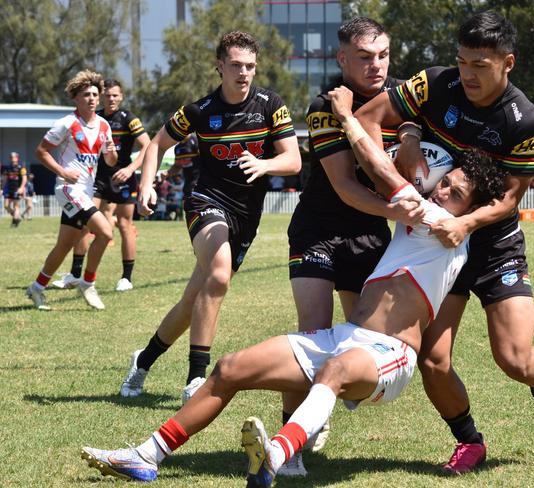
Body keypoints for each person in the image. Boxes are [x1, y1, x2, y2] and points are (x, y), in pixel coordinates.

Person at [79, 93, 507, 483]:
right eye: (447, 182)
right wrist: (409, 132)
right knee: (229, 369)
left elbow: (381, 170)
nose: (444, 189)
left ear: (470, 210)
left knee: (334, 372)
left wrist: (345, 115)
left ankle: (277, 455)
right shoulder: (426, 211)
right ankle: (147, 455)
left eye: (456, 192)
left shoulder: (448, 228)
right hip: (344, 338)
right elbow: (391, 173)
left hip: (389, 357)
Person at [354, 10, 534, 473]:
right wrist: (407, 137)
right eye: (462, 61)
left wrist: (465, 225)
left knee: (514, 358)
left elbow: (509, 200)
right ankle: (470, 441)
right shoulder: (436, 83)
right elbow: (367, 117)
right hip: (438, 245)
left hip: (493, 243)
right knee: (432, 360)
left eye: (481, 64)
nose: (468, 74)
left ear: (508, 63)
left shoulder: (526, 121)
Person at [118, 31, 301, 403]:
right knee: (219, 273)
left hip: (246, 216)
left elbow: (293, 160)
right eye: (236, 65)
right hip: (207, 201)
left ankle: (144, 359)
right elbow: (156, 144)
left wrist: (264, 164)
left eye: (250, 65)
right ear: (220, 66)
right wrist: (146, 186)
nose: (244, 72)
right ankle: (196, 379)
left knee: (194, 299)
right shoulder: (200, 110)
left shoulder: (271, 105)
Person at [282, 17, 424, 473]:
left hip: (370, 235)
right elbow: (344, 185)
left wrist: (410, 133)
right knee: (311, 337)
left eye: (382, 55)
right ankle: (291, 449)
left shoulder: (403, 97)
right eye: (364, 57)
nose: (375, 65)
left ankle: (328, 394)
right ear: (343, 58)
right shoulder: (325, 106)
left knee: (368, 340)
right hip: (318, 230)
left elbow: (411, 159)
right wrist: (399, 210)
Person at [26, 70, 117, 311]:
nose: (92, 99)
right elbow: (41, 151)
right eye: (86, 94)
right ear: (75, 98)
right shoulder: (66, 123)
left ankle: (36, 288)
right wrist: (63, 172)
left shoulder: (105, 125)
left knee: (64, 245)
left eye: (95, 94)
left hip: (86, 191)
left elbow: (110, 161)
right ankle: (88, 282)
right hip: (68, 188)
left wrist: (111, 150)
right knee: (106, 233)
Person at [51, 79, 151, 292]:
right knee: (84, 224)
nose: (111, 99)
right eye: (107, 95)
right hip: (96, 179)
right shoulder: (95, 118)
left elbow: (147, 146)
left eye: (115, 95)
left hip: (124, 178)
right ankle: (75, 274)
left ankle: (126, 278)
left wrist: (131, 169)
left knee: (125, 226)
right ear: (101, 96)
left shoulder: (129, 119)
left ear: (121, 97)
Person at [2, 152, 27, 227]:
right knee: (6, 206)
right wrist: (2, 188)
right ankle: (17, 217)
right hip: (8, 189)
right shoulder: (7, 168)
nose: (12, 158)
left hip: (17, 189)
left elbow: (24, 179)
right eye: (11, 157)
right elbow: (5, 179)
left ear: (17, 158)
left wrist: (22, 188)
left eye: (14, 157)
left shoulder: (21, 167)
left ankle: (15, 222)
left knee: (16, 206)